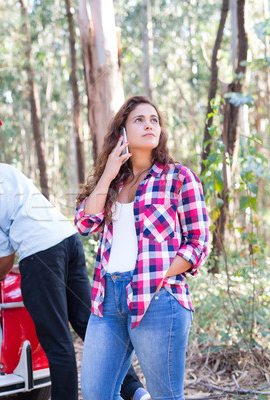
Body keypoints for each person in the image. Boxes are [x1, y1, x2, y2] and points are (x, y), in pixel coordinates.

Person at [0, 161, 149, 400]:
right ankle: (136, 391)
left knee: (58, 343)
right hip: (67, 240)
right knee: (91, 326)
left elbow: (4, 254)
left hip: (40, 254)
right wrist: (25, 265)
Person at [75, 96, 210, 400]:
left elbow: (198, 244)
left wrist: (156, 276)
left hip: (159, 300)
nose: (149, 125)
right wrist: (108, 174)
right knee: (96, 394)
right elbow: (84, 223)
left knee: (165, 396)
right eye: (139, 120)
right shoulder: (113, 183)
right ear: (122, 130)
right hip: (106, 301)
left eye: (154, 120)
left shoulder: (178, 178)